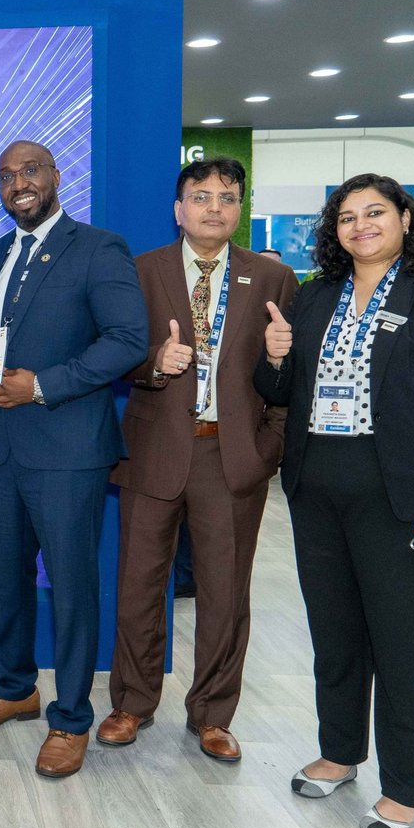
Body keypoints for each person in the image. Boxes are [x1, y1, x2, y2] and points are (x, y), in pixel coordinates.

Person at [255, 173, 414, 828]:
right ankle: (339, 752)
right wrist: (274, 357)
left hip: (410, 502)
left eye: (375, 212)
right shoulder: (315, 295)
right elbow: (282, 389)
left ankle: (407, 788)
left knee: (409, 650)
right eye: (347, 216)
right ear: (334, 232)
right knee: (336, 637)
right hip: (318, 491)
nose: (360, 225)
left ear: (406, 219)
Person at [0, 139, 147, 778]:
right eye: (6, 176)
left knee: (71, 586)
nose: (18, 183)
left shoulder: (98, 248)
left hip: (68, 449)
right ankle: (14, 687)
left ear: (54, 176)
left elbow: (128, 340)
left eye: (29, 171)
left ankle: (71, 718)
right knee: (5, 575)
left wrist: (44, 385)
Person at [102, 157, 297, 761]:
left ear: (239, 209)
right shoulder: (142, 271)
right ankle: (132, 704)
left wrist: (268, 444)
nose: (215, 207)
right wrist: (154, 364)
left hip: (232, 456)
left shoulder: (272, 278)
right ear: (178, 209)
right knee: (138, 586)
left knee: (225, 593)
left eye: (227, 197)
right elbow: (117, 354)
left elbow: (288, 378)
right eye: (201, 196)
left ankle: (213, 714)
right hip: (154, 450)